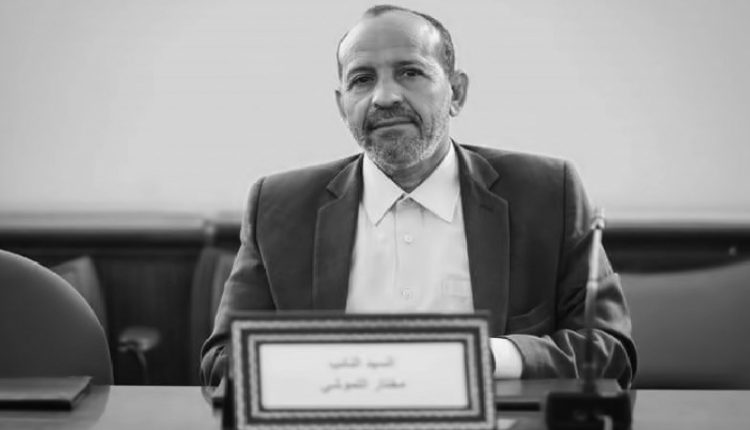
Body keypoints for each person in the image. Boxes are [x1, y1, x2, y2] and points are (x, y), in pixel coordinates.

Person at [201, 5, 636, 387]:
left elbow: (609, 350)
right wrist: (338, 371)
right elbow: (222, 361)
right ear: (341, 105)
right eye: (362, 80)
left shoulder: (546, 193)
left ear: (456, 93)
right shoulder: (279, 206)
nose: (384, 97)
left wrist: (488, 358)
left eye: (410, 72)